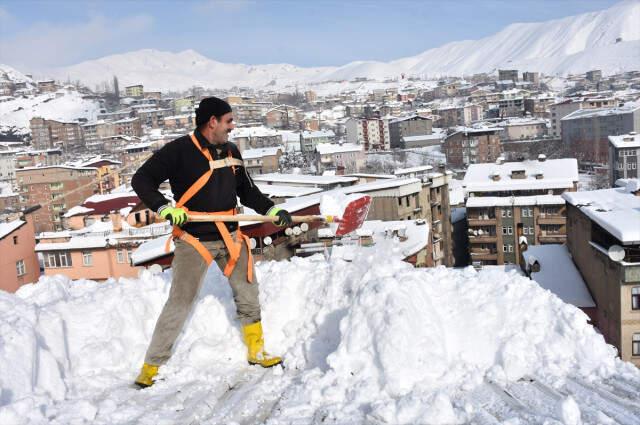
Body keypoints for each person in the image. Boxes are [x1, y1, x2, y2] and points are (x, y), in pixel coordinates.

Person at [131, 96, 292, 388]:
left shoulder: (231, 152)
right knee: (180, 301)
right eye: (228, 121)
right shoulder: (179, 151)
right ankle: (151, 366)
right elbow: (141, 179)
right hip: (194, 239)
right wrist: (164, 207)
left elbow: (247, 191)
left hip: (231, 236)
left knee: (248, 292)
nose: (233, 126)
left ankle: (256, 351)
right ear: (212, 122)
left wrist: (271, 209)